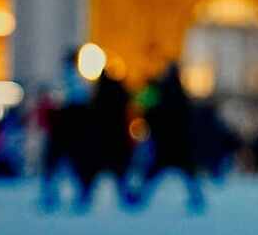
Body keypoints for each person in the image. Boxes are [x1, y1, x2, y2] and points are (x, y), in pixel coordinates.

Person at [132, 64, 205, 212]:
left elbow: (150, 114)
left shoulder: (161, 93)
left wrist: (154, 131)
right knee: (187, 173)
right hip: (179, 143)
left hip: (164, 143)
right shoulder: (181, 95)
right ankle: (197, 197)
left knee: (153, 172)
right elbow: (190, 120)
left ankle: (140, 196)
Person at [36, 48, 88, 211]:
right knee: (74, 165)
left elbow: (52, 103)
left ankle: (51, 195)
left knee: (53, 165)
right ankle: (80, 195)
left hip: (60, 131)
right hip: (72, 132)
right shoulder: (79, 81)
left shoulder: (62, 80)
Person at [74, 71, 133, 211]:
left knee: (92, 173)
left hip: (100, 144)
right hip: (116, 143)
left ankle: (85, 196)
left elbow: (89, 120)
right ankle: (126, 197)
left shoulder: (97, 100)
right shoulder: (119, 98)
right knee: (119, 173)